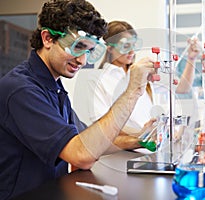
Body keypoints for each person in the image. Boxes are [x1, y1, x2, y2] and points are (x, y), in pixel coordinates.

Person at [0, 1, 155, 199]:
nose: (82, 60)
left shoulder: (54, 87)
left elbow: (88, 141)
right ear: (47, 38)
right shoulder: (21, 90)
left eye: (89, 51)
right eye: (78, 47)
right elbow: (82, 154)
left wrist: (138, 140)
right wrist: (133, 90)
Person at [72, 20, 205, 150]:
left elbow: (183, 88)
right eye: (125, 46)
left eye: (134, 45)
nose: (132, 52)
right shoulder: (98, 80)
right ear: (110, 48)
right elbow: (100, 130)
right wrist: (142, 137)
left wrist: (191, 58)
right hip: (123, 153)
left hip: (150, 149)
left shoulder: (141, 73)